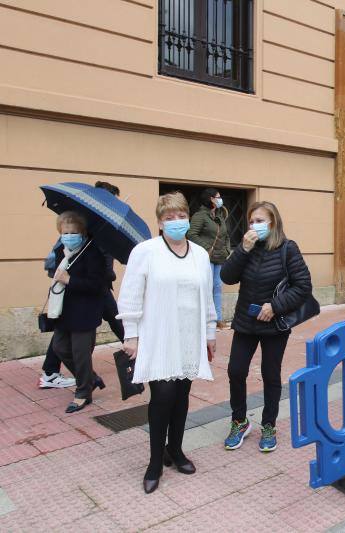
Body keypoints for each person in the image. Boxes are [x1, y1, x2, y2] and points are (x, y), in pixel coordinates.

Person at [117, 192, 217, 494]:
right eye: (169, 217)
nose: (176, 222)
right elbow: (131, 294)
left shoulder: (199, 254)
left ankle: (176, 449)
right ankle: (154, 461)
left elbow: (208, 295)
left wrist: (210, 334)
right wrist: (131, 336)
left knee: (182, 395)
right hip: (159, 335)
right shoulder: (145, 251)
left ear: (188, 217)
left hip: (190, 336)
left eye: (180, 216)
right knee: (162, 397)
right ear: (159, 222)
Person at [220, 201, 312, 453]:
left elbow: (303, 286)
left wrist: (275, 306)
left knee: (271, 374)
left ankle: (269, 424)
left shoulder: (287, 249)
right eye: (252, 221)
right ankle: (239, 421)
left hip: (274, 323)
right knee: (236, 370)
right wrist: (242, 249)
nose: (255, 226)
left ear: (273, 223)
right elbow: (227, 277)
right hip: (245, 322)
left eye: (260, 221)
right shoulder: (246, 248)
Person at [39, 181, 122, 389]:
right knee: (69, 339)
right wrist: (63, 276)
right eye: (112, 199)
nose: (67, 236)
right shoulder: (79, 230)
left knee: (110, 322)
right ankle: (54, 372)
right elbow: (59, 262)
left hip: (91, 288)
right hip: (81, 292)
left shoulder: (98, 230)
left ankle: (74, 380)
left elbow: (98, 271)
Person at [49, 211, 107, 413]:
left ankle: (83, 393)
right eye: (65, 232)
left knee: (81, 354)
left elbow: (97, 285)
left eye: (73, 232)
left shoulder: (92, 253)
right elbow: (56, 273)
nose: (69, 235)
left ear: (82, 233)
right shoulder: (61, 252)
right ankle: (90, 379)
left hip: (85, 312)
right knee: (59, 347)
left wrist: (70, 280)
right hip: (64, 310)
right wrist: (57, 275)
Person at [187, 187, 231, 329]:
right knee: (206, 287)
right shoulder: (200, 216)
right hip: (206, 258)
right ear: (211, 199)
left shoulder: (219, 215)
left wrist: (227, 249)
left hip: (220, 257)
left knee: (217, 287)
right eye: (218, 197)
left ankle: (217, 318)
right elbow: (191, 234)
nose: (220, 199)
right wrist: (207, 248)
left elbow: (225, 235)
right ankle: (205, 318)